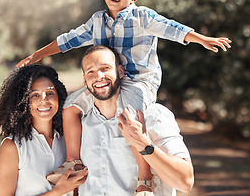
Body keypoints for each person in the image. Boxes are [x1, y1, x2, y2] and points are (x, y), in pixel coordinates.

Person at [16, 0, 230, 195]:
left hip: (139, 82)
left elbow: (172, 28)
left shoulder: (143, 17)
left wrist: (201, 39)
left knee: (130, 115)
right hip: (105, 82)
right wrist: (38, 54)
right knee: (69, 107)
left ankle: (144, 180)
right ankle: (72, 161)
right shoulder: (97, 21)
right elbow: (69, 40)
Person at [77, 45, 194, 195]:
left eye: (105, 68)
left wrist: (143, 144)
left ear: (120, 72)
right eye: (90, 71)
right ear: (85, 81)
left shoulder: (153, 115)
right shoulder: (81, 122)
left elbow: (185, 181)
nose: (98, 76)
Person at [0, 65, 87, 196]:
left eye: (50, 93)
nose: (44, 100)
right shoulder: (13, 146)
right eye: (35, 95)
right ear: (24, 102)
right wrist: (58, 192)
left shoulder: (69, 141)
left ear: (59, 97)